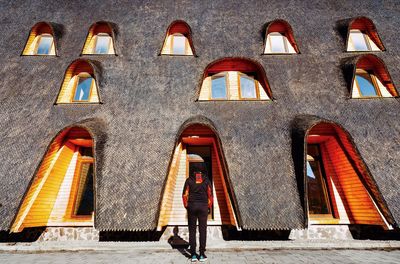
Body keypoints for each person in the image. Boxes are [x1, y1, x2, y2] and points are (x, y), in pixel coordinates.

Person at [182, 163, 213, 262]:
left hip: (192, 207)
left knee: (192, 231)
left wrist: (187, 206)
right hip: (203, 207)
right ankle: (202, 254)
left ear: (193, 170)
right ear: (202, 170)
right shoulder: (206, 180)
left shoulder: (189, 180)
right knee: (202, 231)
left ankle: (193, 255)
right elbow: (210, 195)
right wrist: (208, 207)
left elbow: (184, 195)